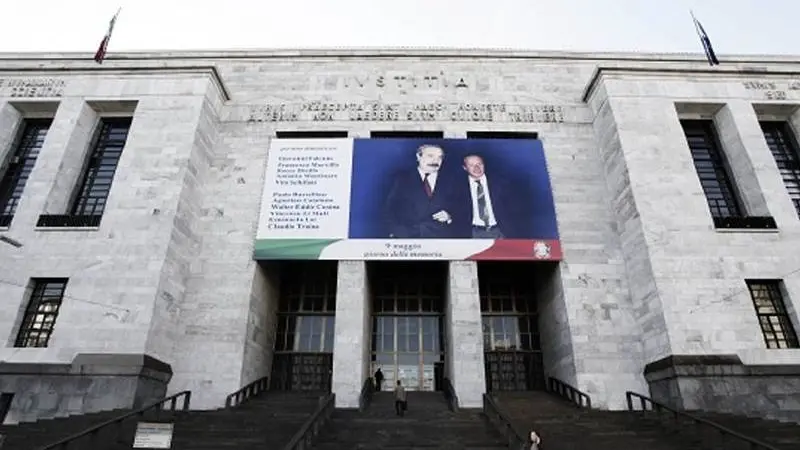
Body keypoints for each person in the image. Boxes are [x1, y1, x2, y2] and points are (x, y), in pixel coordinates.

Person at [383, 144, 462, 238]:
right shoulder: (400, 178)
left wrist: (449, 216)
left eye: (439, 157)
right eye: (430, 156)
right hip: (409, 238)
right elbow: (388, 209)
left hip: (441, 238)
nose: (435, 161)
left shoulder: (453, 180)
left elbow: (461, 208)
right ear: (418, 156)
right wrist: (396, 232)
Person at [456, 153, 520, 239]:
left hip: (501, 232)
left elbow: (515, 207)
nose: (477, 168)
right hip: (473, 233)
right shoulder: (457, 186)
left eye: (479, 164)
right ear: (464, 167)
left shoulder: (501, 183)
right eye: (471, 165)